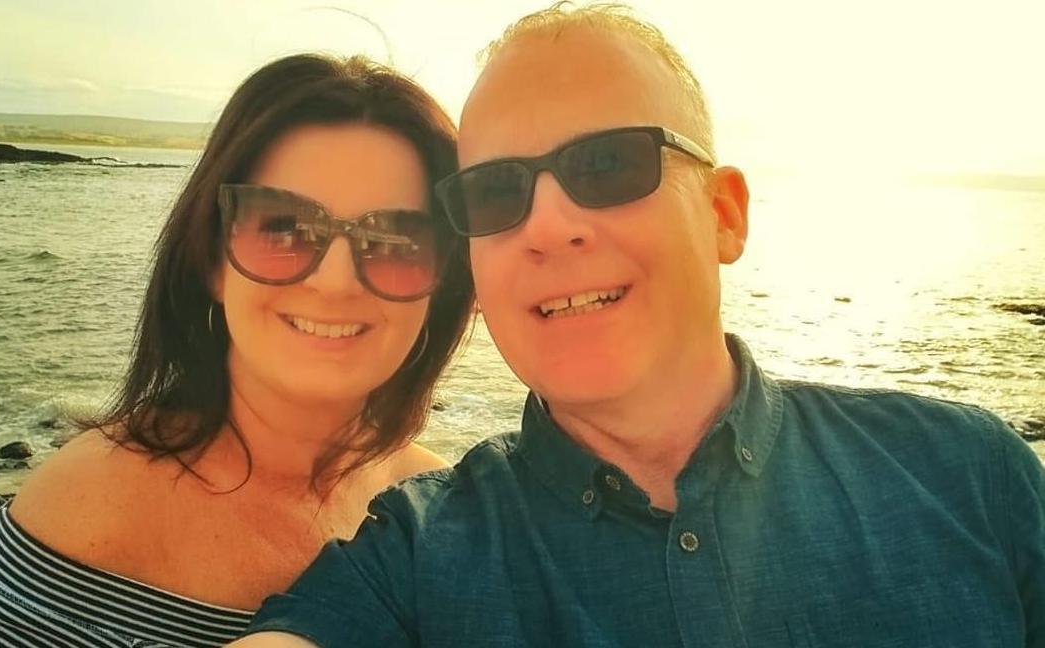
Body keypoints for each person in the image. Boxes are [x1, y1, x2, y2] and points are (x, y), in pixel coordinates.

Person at [231, 4, 1045, 648]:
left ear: (724, 214)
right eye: (495, 194)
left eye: (609, 165)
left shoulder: (969, 477)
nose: (547, 225)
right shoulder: (412, 557)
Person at [0, 53, 474, 648]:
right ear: (212, 259)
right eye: (282, 228)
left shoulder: (441, 513)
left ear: (443, 277)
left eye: (394, 240)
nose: (336, 281)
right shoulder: (86, 517)